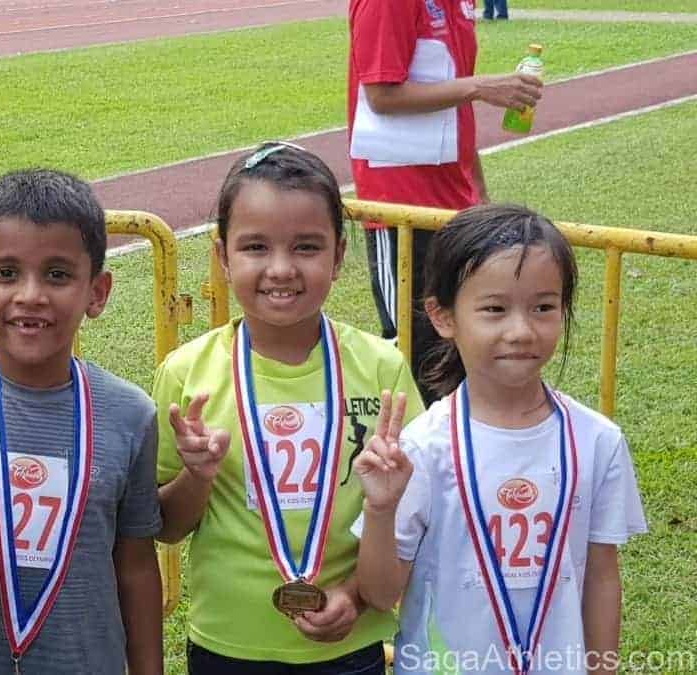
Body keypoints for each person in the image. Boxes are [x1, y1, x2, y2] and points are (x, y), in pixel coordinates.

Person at [153, 142, 424, 674]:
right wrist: (197, 475)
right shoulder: (188, 373)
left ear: (340, 256)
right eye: (255, 246)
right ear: (223, 255)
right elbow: (166, 524)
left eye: (306, 247)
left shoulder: (380, 367)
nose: (280, 269)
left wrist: (357, 595)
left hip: (348, 642)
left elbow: (410, 518)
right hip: (229, 645)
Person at [353, 205, 647, 674]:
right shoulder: (423, 447)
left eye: (543, 307)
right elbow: (381, 593)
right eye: (494, 309)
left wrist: (602, 668)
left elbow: (600, 577)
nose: (520, 330)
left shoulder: (598, 441)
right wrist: (380, 510)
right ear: (443, 316)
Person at [0, 169, 164, 674]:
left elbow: (135, 566)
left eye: (58, 275)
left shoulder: (130, 413)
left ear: (97, 292)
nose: (31, 295)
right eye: (7, 273)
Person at [347, 0, 543, 402]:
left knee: (467, 348)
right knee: (418, 353)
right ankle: (418, 458)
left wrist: (480, 198)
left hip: (458, 208)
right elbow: (381, 94)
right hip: (403, 208)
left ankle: (466, 456)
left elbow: (453, 104)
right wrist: (481, 87)